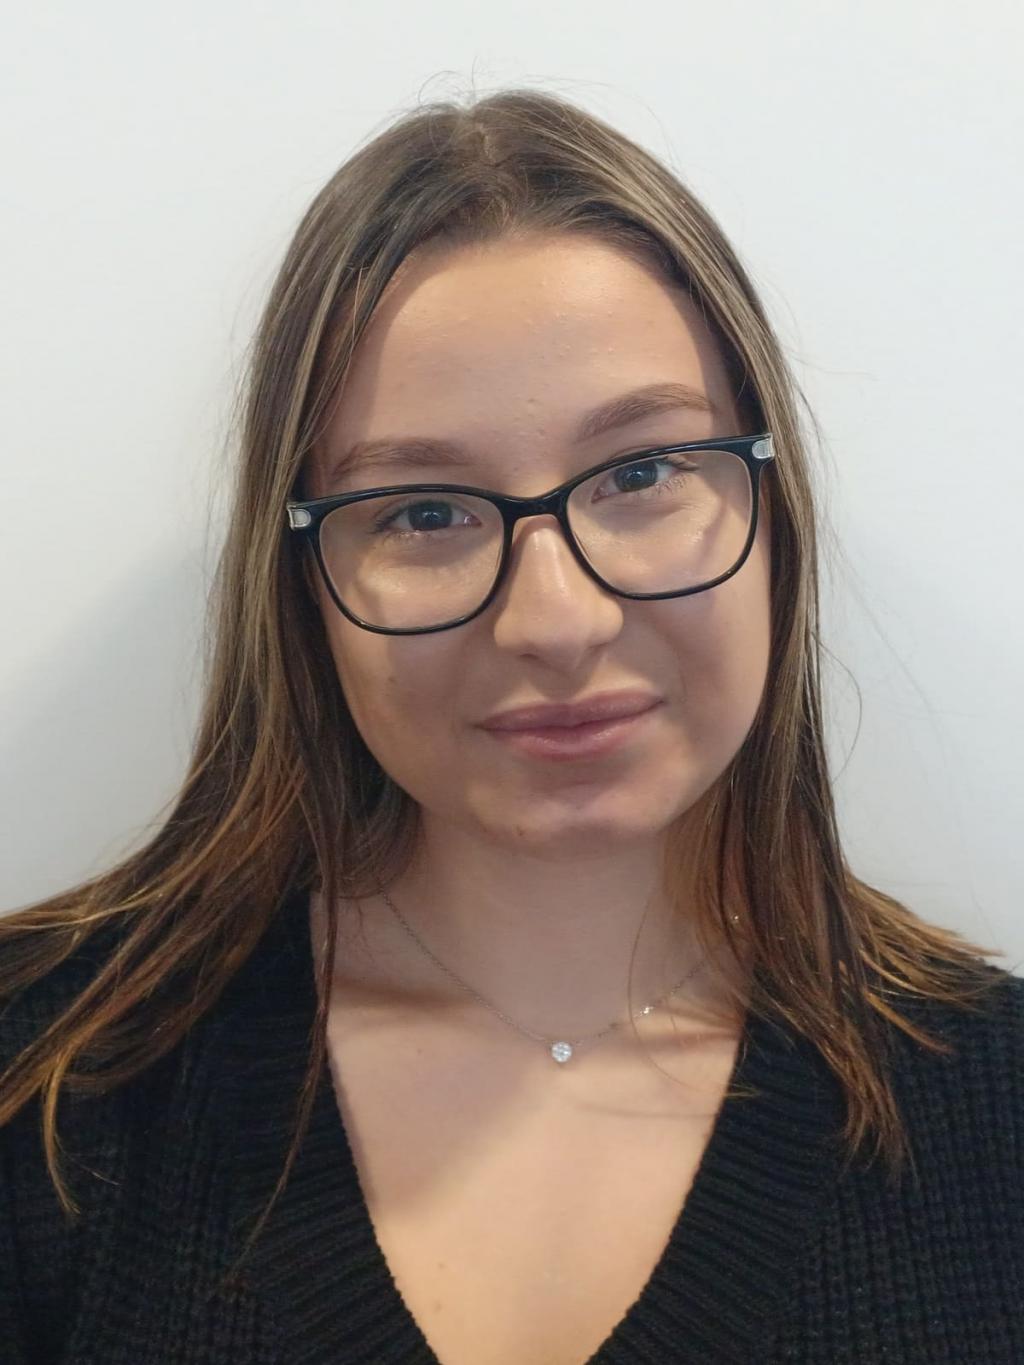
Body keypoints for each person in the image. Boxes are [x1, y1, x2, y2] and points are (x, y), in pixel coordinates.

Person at [1, 87, 1021, 1365]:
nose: (555, 621)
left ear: (775, 513)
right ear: (303, 584)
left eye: (641, 473)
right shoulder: (46, 1090)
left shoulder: (997, 1110)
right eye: (423, 512)